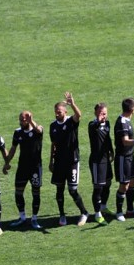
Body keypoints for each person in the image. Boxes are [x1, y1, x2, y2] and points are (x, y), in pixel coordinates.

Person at [49, 92, 89, 227]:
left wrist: (72, 104)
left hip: (72, 161)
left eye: (59, 112)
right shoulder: (53, 126)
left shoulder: (71, 121)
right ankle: (62, 215)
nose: (57, 114)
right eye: (56, 112)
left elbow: (79, 115)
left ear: (65, 112)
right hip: (59, 162)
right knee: (59, 190)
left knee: (72, 190)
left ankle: (84, 212)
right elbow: (53, 144)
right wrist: (51, 161)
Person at [3, 111, 44, 229]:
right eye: (20, 120)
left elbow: (39, 130)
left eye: (24, 120)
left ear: (29, 120)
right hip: (22, 168)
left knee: (36, 192)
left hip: (35, 167)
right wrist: (7, 163)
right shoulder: (18, 132)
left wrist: (31, 121)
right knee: (18, 192)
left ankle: (34, 218)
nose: (21, 122)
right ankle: (22, 217)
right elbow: (13, 148)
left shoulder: (37, 130)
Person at [113, 98, 134, 221]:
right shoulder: (122, 122)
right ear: (133, 109)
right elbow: (125, 141)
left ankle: (130, 209)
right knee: (124, 185)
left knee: (133, 181)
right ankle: (119, 212)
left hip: (130, 157)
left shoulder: (127, 120)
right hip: (123, 158)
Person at [88, 102, 114, 225]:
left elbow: (108, 139)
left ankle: (103, 207)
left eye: (104, 113)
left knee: (108, 183)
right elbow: (96, 125)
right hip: (96, 161)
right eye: (100, 113)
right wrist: (98, 119)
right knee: (98, 187)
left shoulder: (107, 124)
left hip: (106, 160)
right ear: (95, 113)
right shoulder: (92, 125)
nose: (102, 116)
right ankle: (97, 214)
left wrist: (112, 151)